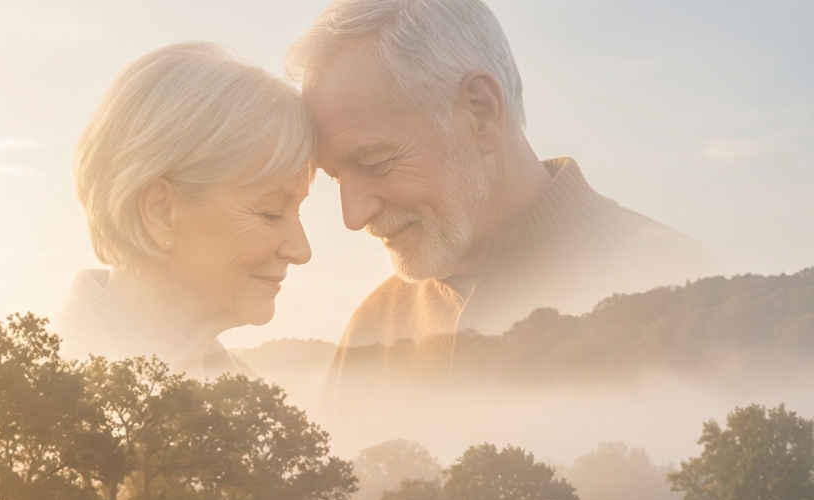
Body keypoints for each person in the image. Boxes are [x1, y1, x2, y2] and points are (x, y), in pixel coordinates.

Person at [286, 0, 720, 384]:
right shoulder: (369, 328)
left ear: (481, 112)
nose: (353, 215)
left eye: (374, 161)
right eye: (335, 177)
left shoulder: (676, 282)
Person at [57, 42, 314, 375]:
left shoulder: (249, 395)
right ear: (161, 212)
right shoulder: (40, 403)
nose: (301, 250)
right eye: (271, 212)